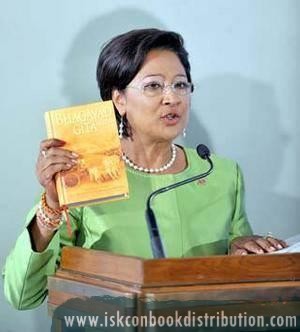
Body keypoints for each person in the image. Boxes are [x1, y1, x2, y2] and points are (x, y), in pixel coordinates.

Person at [2, 28, 287, 310]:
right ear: (119, 99)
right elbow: (23, 295)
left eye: (180, 84)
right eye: (153, 86)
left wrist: (243, 252)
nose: (172, 97)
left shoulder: (220, 173)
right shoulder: (86, 176)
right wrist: (53, 205)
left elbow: (240, 266)